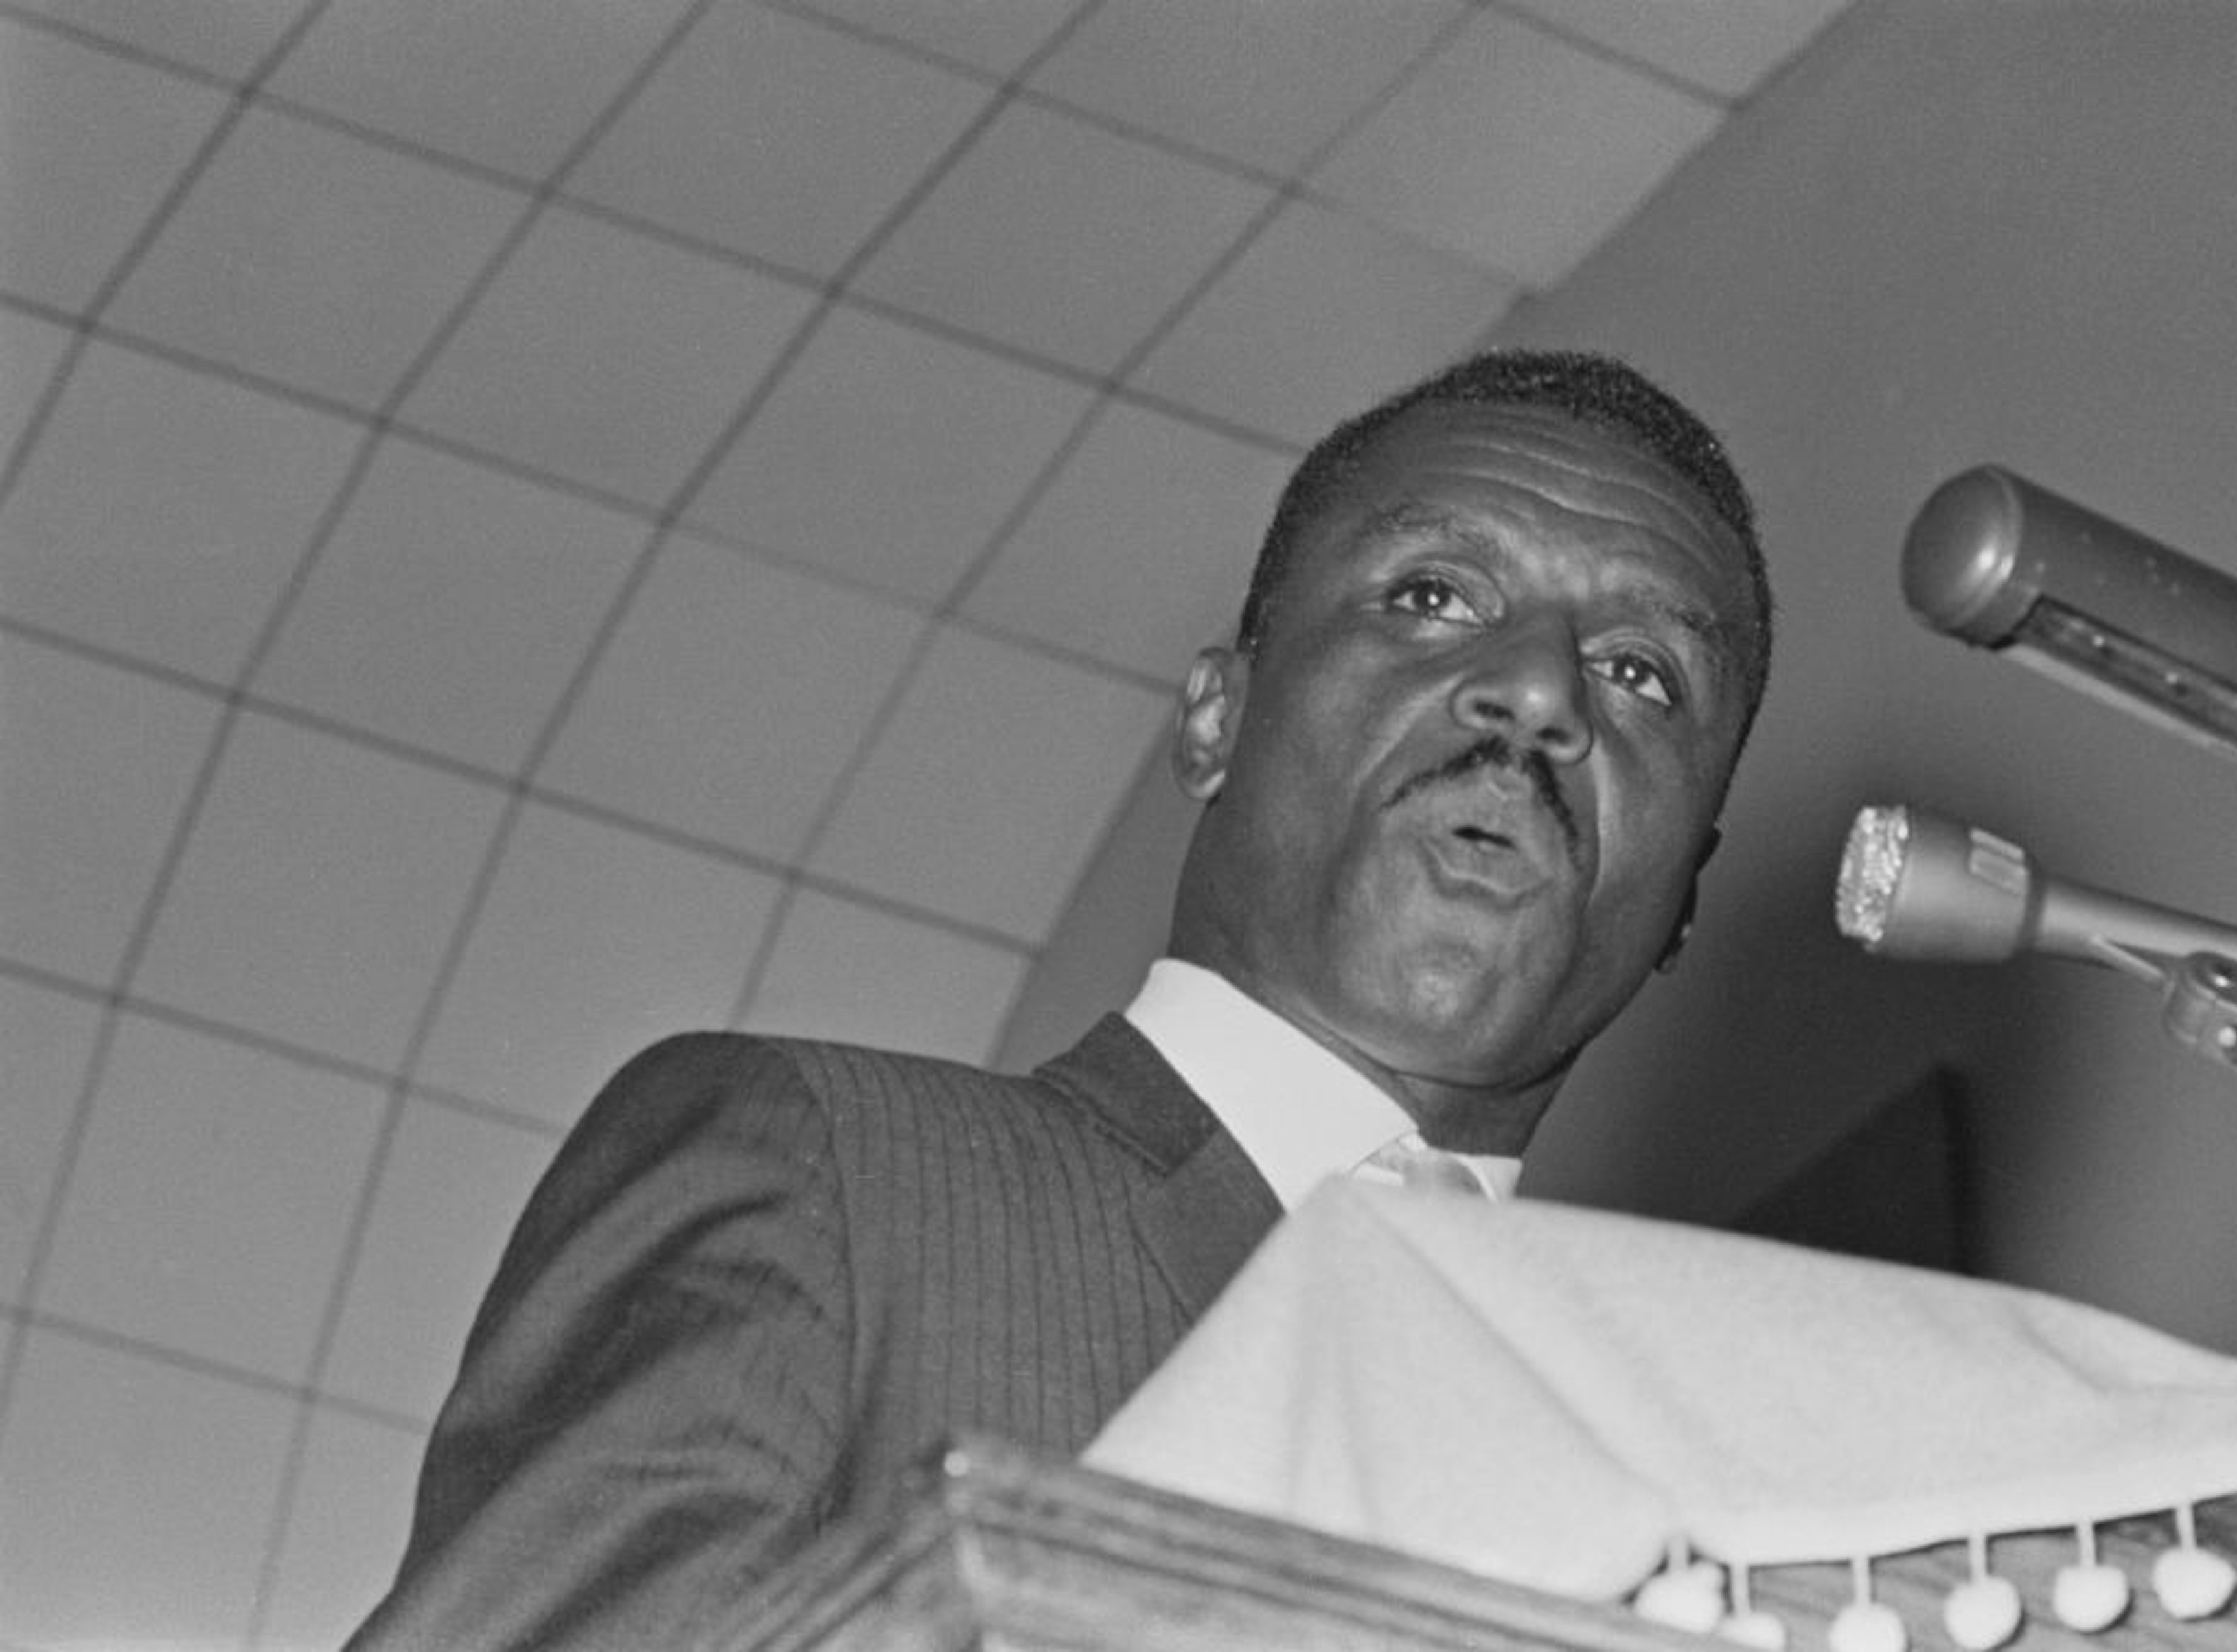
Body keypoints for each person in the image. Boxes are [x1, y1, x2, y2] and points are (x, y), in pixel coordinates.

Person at [347, 347, 1774, 1649]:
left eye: (1640, 674)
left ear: (1684, 899)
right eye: (1434, 597)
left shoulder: (1726, 1494)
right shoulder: (823, 1162)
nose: (1540, 693)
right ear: (1215, 719)